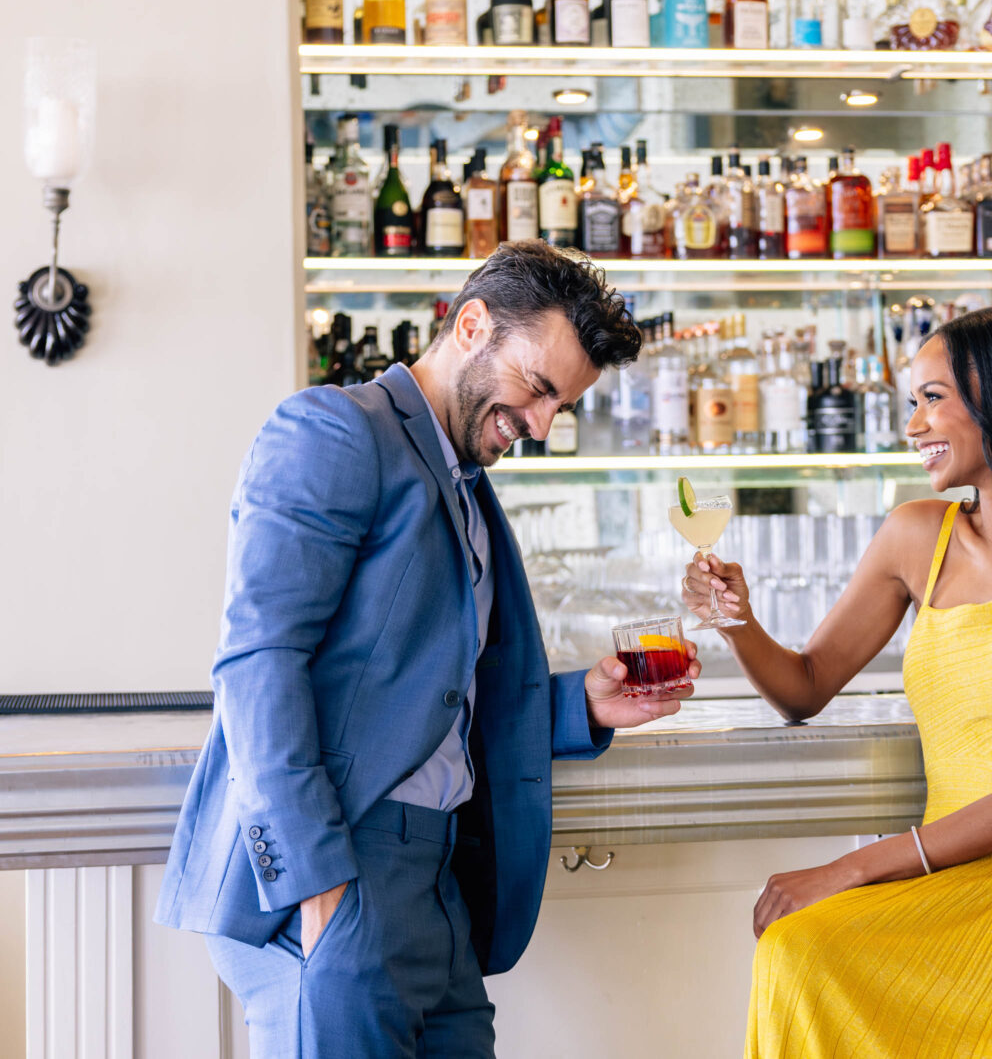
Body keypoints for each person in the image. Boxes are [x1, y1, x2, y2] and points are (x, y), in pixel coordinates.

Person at [157, 241, 698, 1057]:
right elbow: (258, 663)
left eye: (563, 407)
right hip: (342, 871)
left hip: (437, 885)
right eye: (539, 389)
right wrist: (320, 887)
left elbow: (431, 693)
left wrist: (580, 703)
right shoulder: (336, 430)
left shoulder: (467, 487)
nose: (543, 426)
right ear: (472, 325)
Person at [683, 302, 992, 1058]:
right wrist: (735, 618)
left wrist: (847, 870)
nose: (912, 426)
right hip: (957, 879)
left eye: (932, 398)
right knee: (799, 952)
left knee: (805, 952)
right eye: (914, 402)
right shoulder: (915, 535)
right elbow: (804, 687)